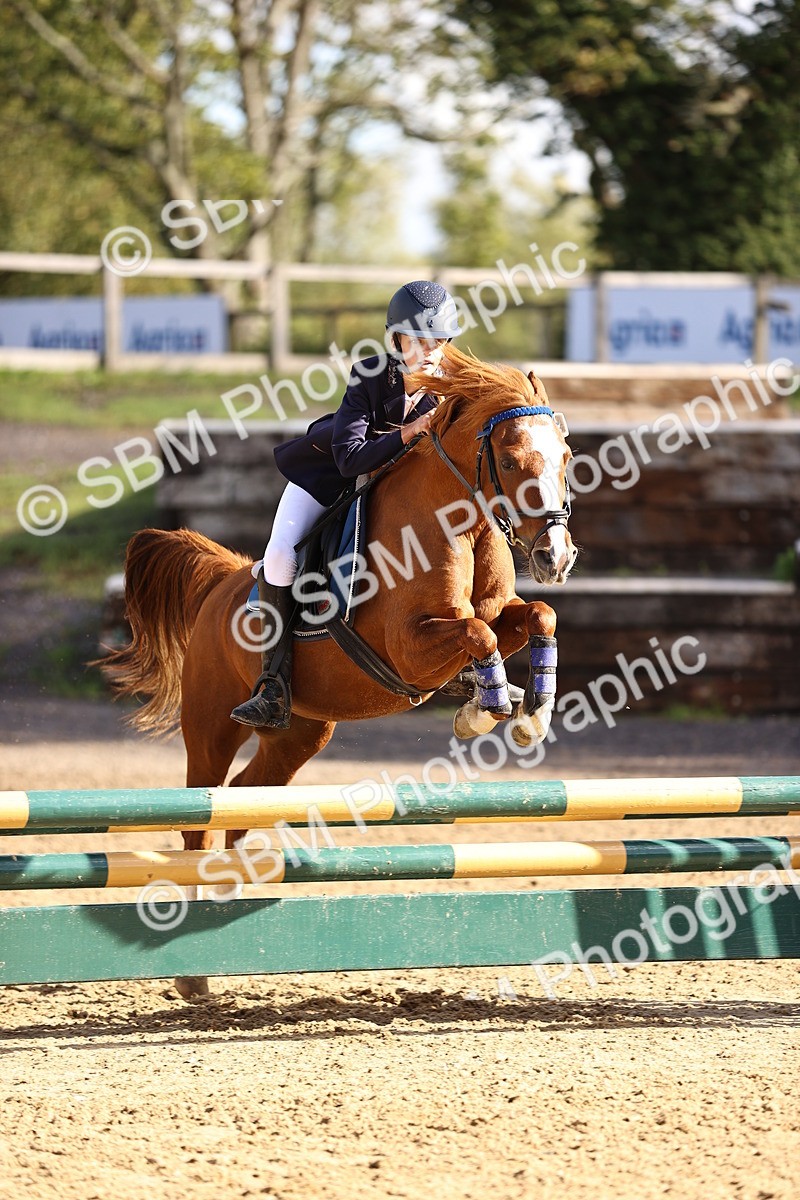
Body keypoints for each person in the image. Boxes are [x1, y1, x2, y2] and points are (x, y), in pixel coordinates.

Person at [230, 279, 462, 729]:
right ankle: (273, 686)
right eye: (419, 340)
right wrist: (411, 432)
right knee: (280, 559)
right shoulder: (371, 375)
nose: (431, 351)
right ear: (397, 339)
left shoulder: (451, 391)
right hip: (328, 478)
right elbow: (350, 456)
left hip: (392, 497)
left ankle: (469, 667)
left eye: (439, 341)